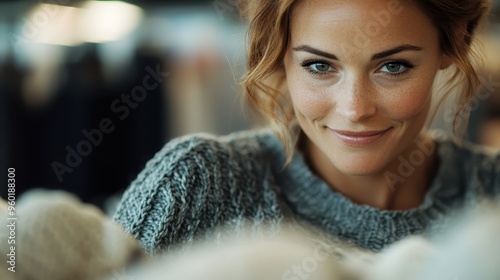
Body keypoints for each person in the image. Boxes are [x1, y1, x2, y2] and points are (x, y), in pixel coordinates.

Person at [113, 0, 499, 255]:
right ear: (279, 56)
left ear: (454, 46)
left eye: (393, 66)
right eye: (319, 66)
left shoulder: (491, 194)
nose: (355, 109)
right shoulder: (197, 184)